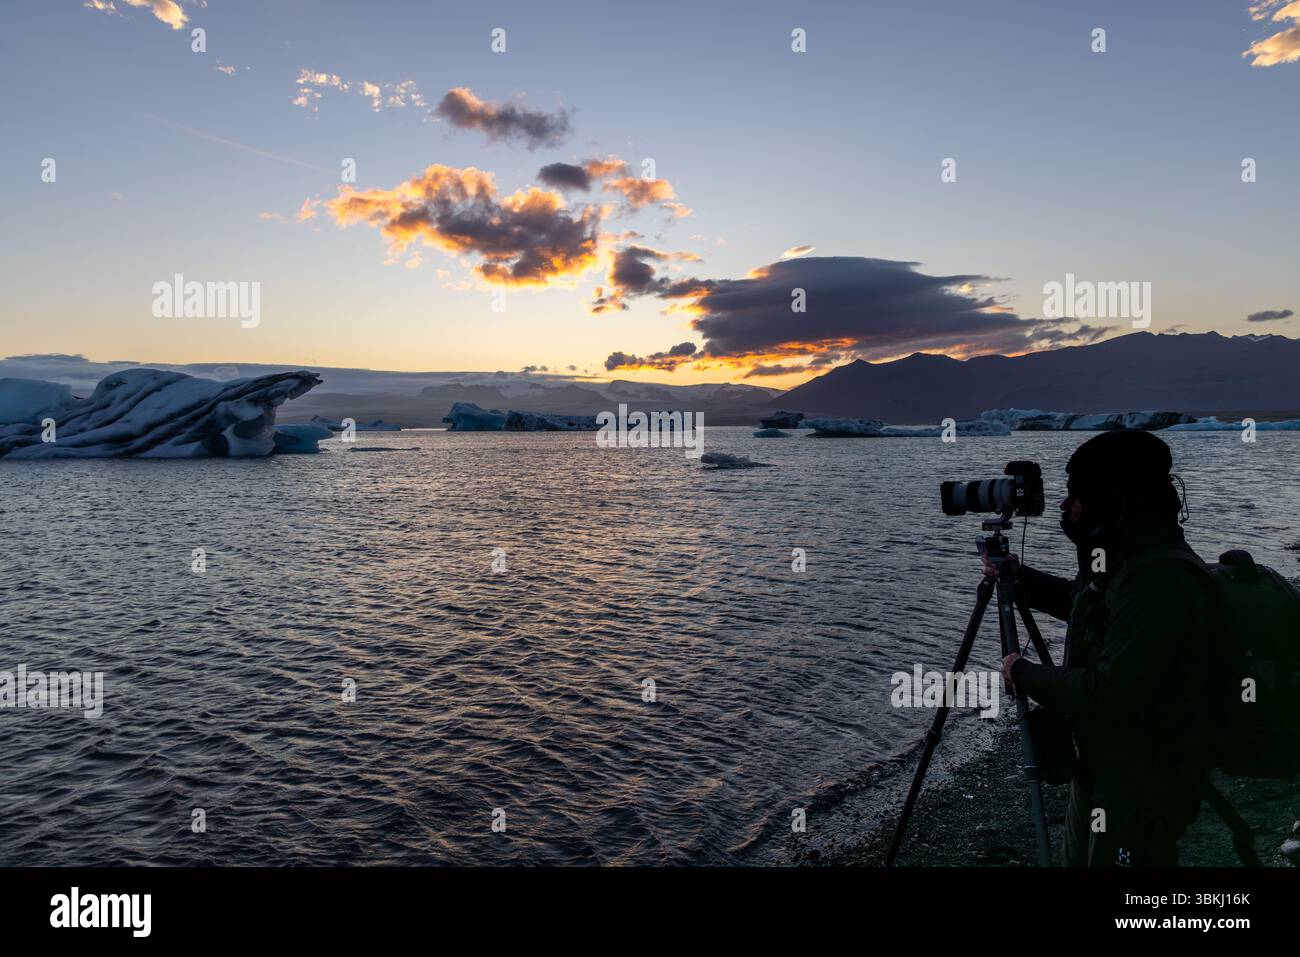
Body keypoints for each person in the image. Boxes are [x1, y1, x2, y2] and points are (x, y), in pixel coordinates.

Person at [986, 429, 1215, 866]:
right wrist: (1020, 579)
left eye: (1078, 494)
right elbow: (1085, 606)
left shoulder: (1156, 580)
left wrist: (1022, 673)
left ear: (1114, 499)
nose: (1066, 506)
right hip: (1103, 764)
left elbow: (1108, 691)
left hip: (1138, 778)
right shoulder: (1128, 557)